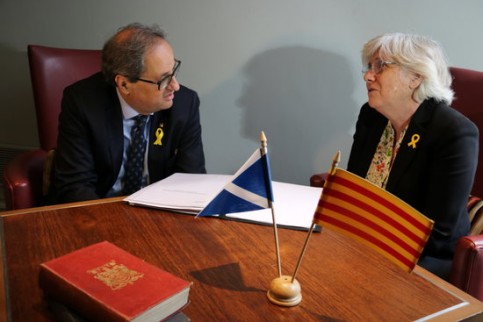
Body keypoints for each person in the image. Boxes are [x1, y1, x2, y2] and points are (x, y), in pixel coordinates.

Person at [347, 32, 479, 279]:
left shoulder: (453, 131)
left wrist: (372, 246)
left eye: (380, 67)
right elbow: (355, 191)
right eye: (369, 67)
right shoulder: (372, 115)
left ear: (416, 77)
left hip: (425, 259)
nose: (368, 75)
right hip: (366, 241)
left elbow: (441, 234)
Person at [46, 23, 206, 204]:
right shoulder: (82, 103)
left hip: (158, 212)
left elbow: (191, 180)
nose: (175, 86)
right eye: (163, 79)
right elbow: (76, 186)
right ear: (124, 84)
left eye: (173, 71)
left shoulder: (185, 103)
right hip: (98, 208)